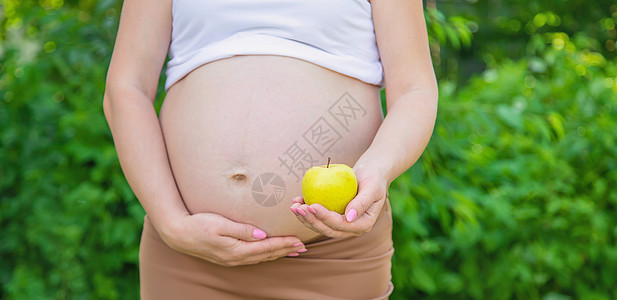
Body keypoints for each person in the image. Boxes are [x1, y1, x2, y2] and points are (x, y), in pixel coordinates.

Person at [103, 0, 437, 298]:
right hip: (188, 255)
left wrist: (377, 169)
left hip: (330, 256)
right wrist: (172, 224)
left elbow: (415, 89)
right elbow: (126, 87)